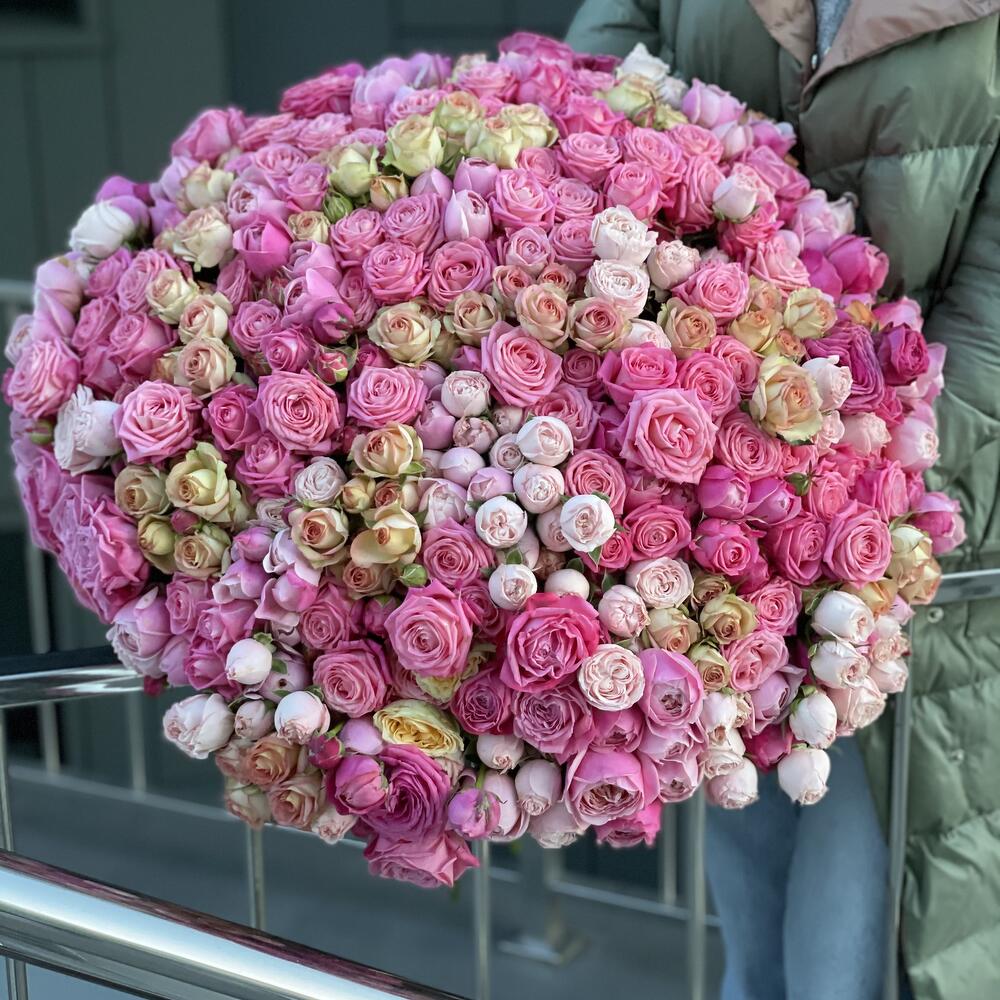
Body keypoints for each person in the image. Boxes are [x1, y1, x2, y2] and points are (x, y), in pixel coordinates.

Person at [565, 4, 1000, 1000]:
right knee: (754, 926)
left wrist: (857, 493)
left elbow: (991, 328)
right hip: (717, 535)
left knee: (855, 940)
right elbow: (594, 85)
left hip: (911, 550)